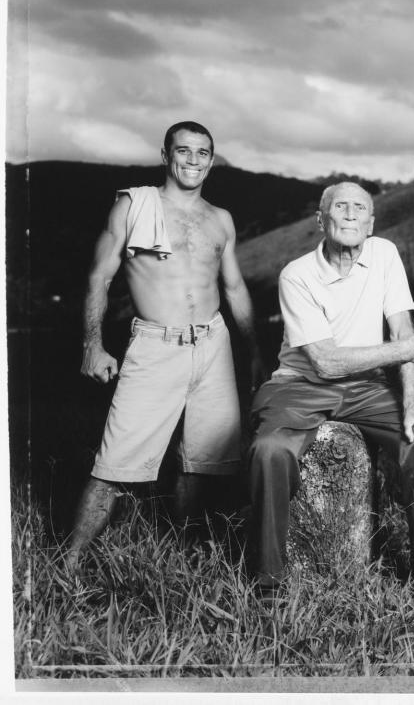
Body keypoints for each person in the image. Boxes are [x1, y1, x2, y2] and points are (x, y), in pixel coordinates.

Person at [67, 121, 263, 571]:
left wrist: (252, 352)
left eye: (203, 153)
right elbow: (100, 275)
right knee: (115, 463)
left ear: (212, 160)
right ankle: (70, 562)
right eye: (184, 151)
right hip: (156, 343)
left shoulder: (221, 219)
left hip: (213, 344)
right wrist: (92, 345)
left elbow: (234, 288)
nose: (193, 160)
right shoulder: (135, 204)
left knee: (203, 462)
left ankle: (182, 555)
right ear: (165, 154)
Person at [247, 182, 414, 596]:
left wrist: (413, 401)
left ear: (372, 223)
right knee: (269, 452)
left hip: (367, 386)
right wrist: (407, 349)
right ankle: (268, 581)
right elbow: (325, 361)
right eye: (340, 206)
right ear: (320, 220)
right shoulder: (297, 274)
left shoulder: (384, 254)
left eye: (361, 208)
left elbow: (402, 328)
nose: (351, 214)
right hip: (302, 384)